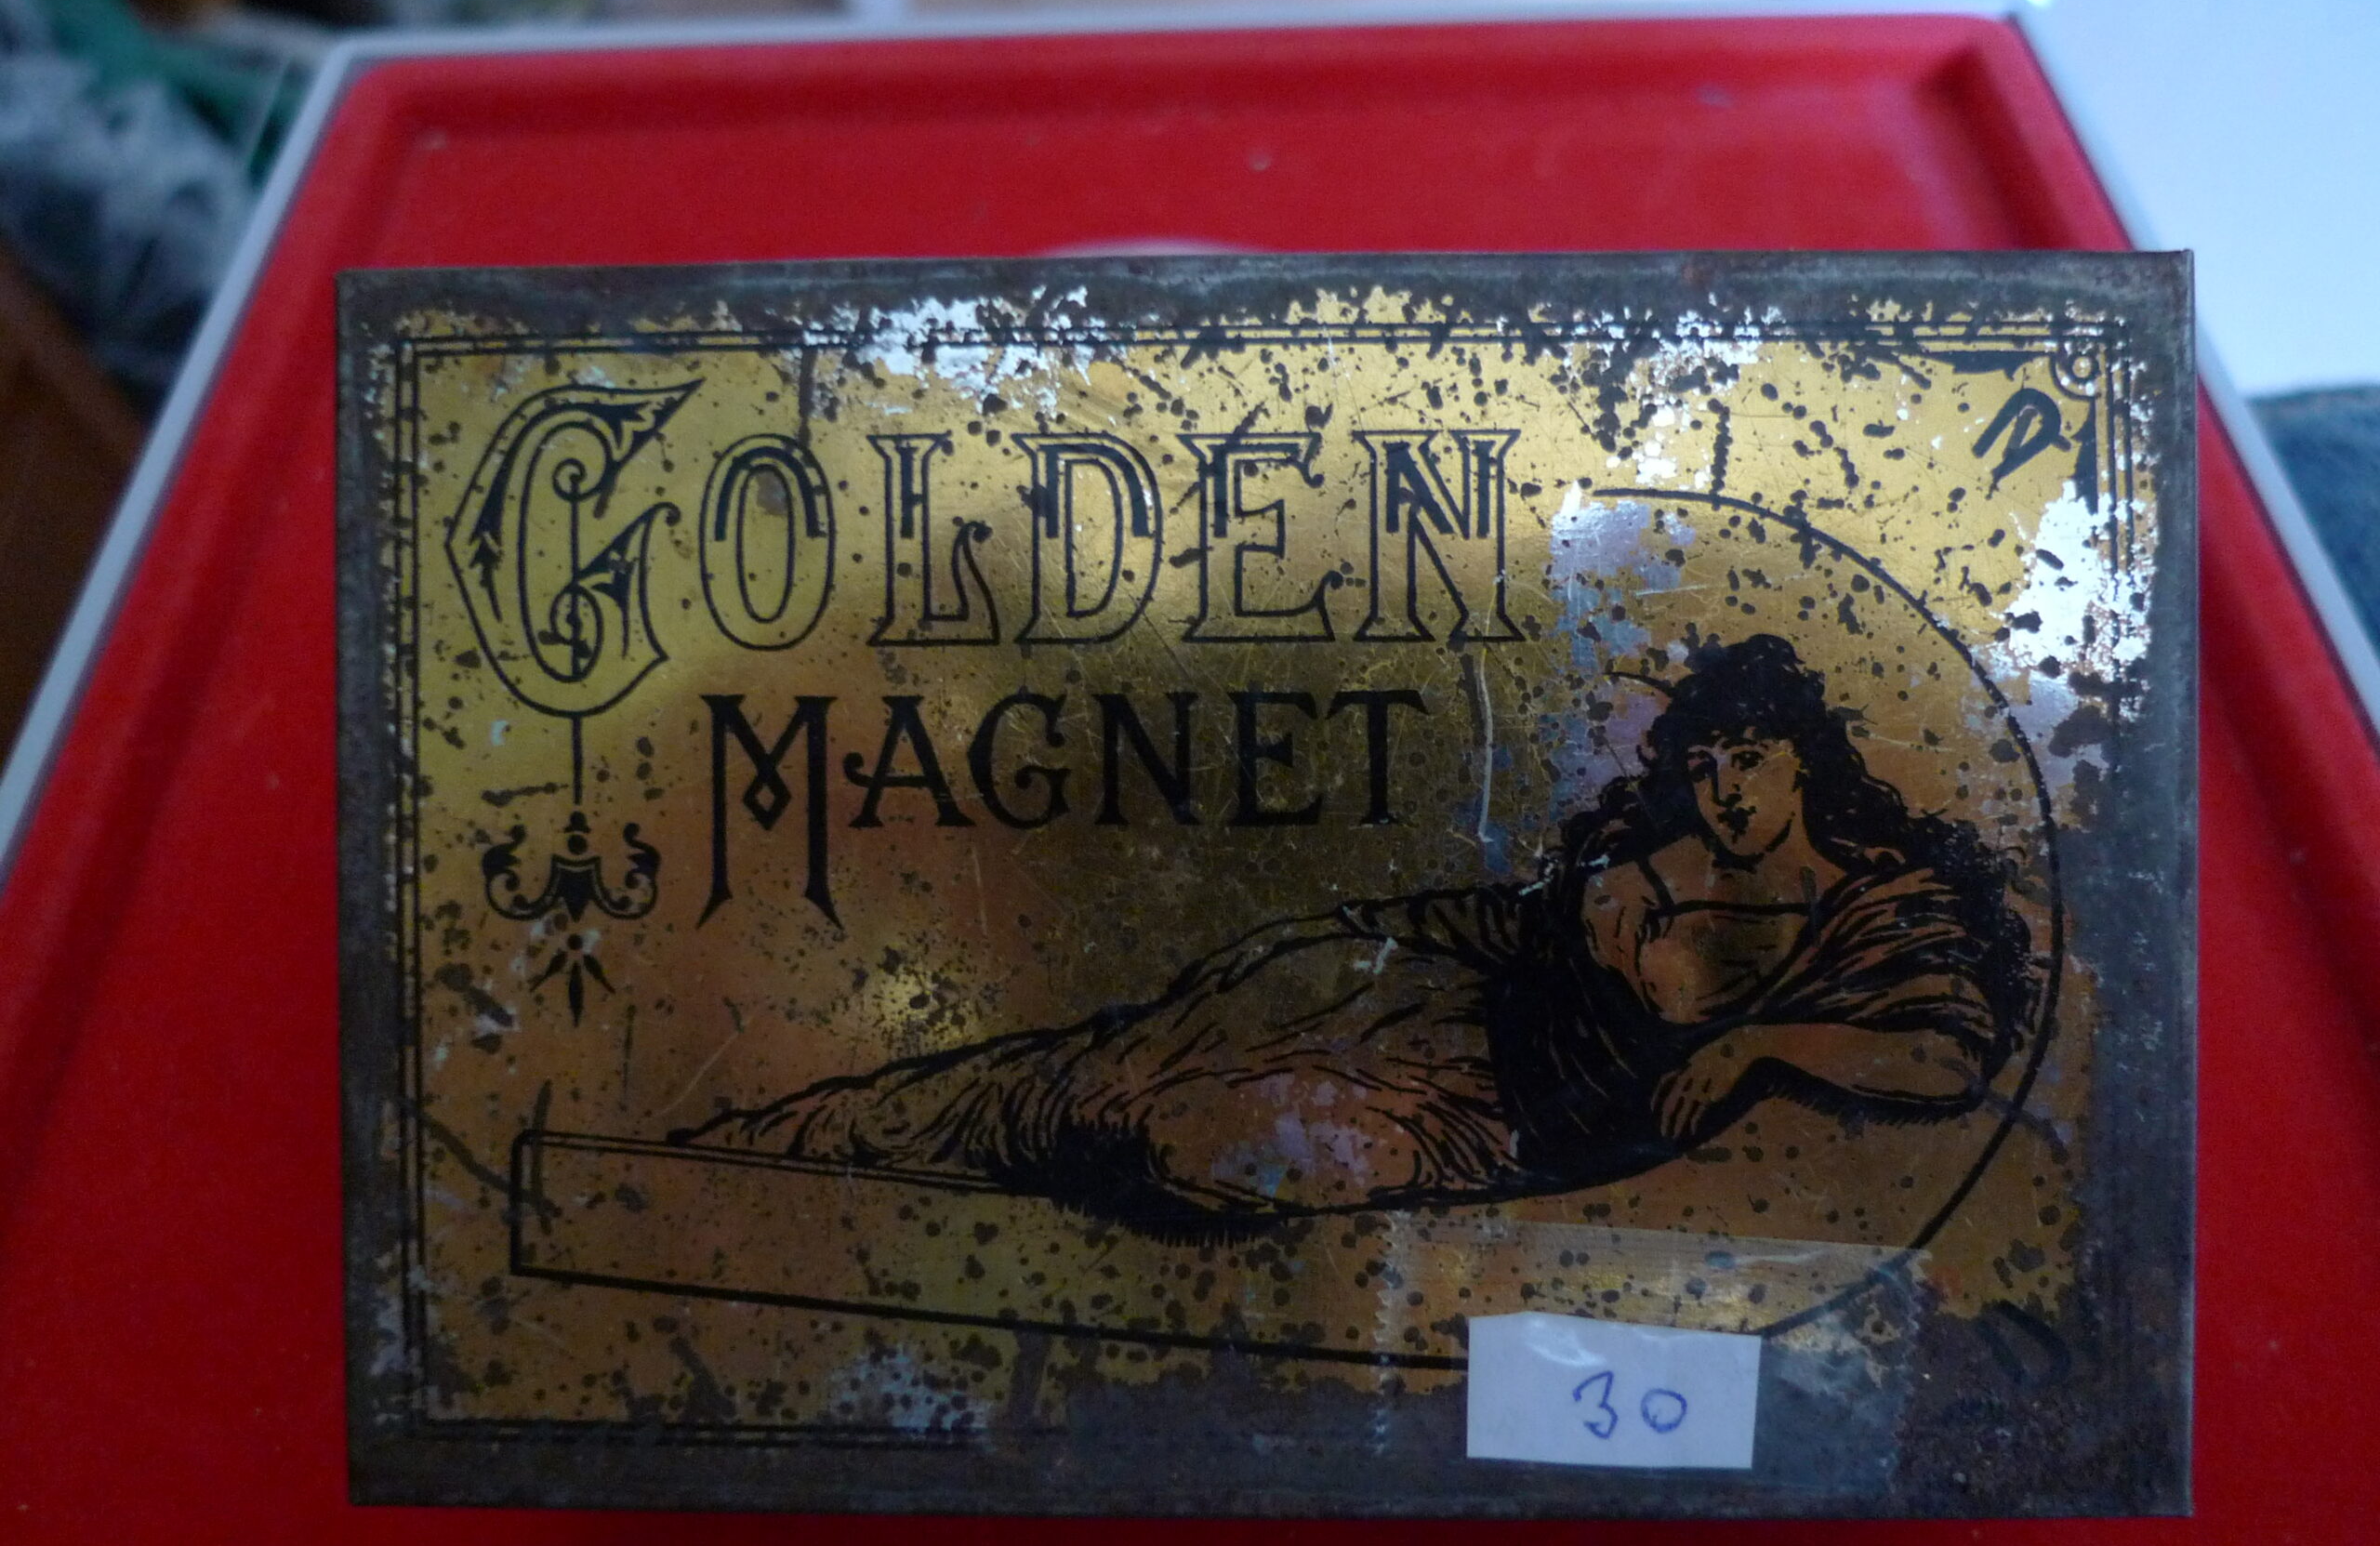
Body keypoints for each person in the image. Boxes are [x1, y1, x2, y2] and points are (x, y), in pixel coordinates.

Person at [676, 634, 2036, 1235]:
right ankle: (754, 1149)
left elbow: (1945, 1056)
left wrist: (1759, 1046)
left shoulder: (1879, 905)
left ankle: (766, 1158)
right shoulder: (1650, 855)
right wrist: (1339, 936)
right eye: (1708, 761)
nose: (1728, 787)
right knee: (1085, 1070)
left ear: (1808, 762)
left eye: (1754, 759)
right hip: (1420, 999)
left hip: (1491, 1117)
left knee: (1161, 1131)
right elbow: (1504, 926)